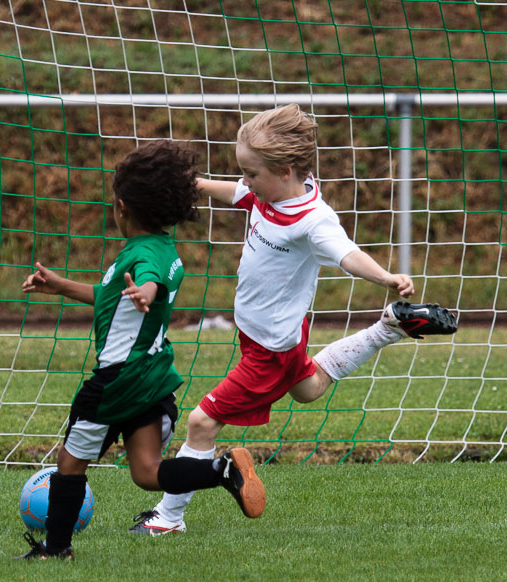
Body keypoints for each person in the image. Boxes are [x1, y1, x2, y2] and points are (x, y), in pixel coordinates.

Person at [130, 104, 458, 535]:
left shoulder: (312, 220)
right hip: (269, 335)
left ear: (285, 170)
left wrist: (387, 276)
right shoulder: (271, 192)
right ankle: (389, 328)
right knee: (307, 388)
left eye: (252, 173)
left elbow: (347, 255)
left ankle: (168, 518)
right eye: (243, 171)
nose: (246, 182)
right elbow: (236, 193)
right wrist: (191, 184)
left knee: (201, 421)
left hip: (269, 349)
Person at [16, 140, 265, 559]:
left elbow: (147, 281)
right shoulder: (167, 250)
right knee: (148, 472)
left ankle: (55, 548)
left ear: (121, 206)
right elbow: (115, 296)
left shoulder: (142, 256)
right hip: (152, 376)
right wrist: (61, 286)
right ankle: (221, 471)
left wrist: (144, 291)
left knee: (70, 462)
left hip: (117, 378)